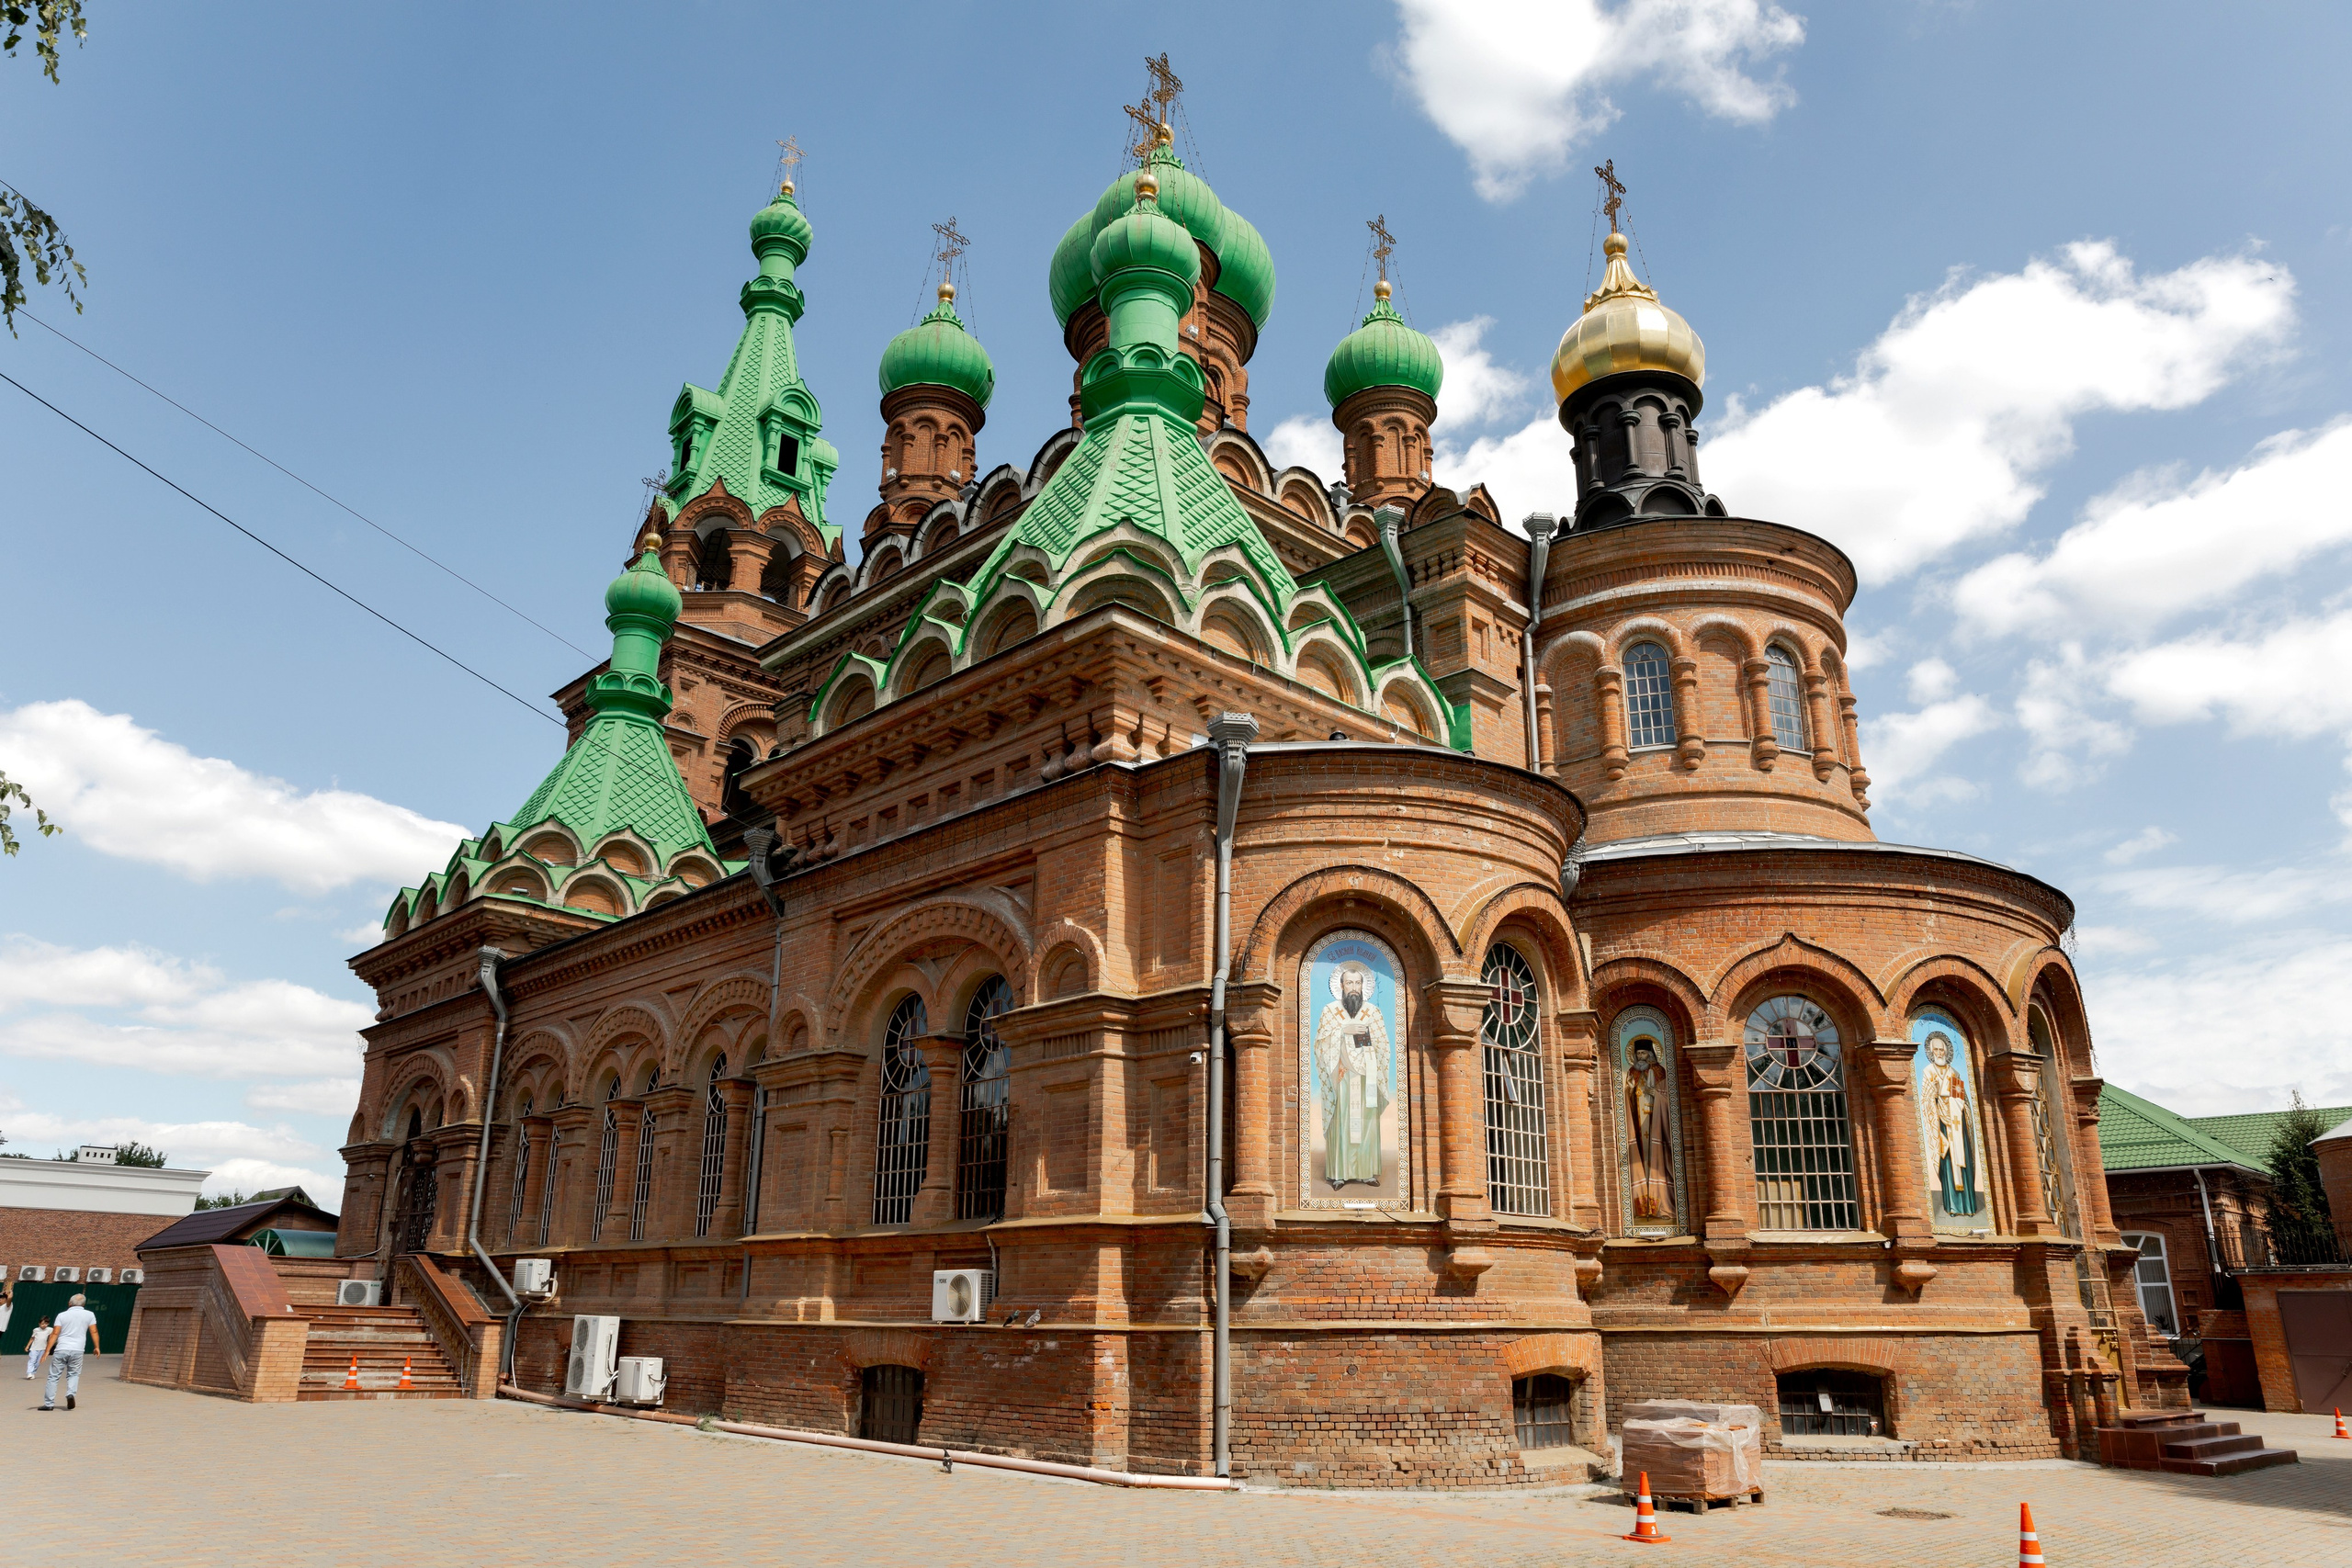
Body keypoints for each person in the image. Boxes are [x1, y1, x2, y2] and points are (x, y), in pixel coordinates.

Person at [39, 1293, 99, 1411]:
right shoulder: (90, 1314)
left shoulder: (62, 1315)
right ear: (84, 1304)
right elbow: (94, 1331)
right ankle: (70, 1393)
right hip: (78, 1350)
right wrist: (97, 1347)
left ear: (69, 1303)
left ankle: (49, 1404)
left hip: (61, 1349)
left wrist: (46, 1351)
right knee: (74, 1374)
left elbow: (55, 1333)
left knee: (53, 1376)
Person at [23, 1314, 51, 1381]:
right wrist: (27, 1346)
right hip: (34, 1348)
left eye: (46, 1324)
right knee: (32, 1360)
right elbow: (32, 1338)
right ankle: (29, 1373)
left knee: (38, 1362)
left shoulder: (49, 1330)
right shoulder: (36, 1330)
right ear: (39, 1323)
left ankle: (33, 1373)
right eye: (42, 1324)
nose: (44, 1325)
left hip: (43, 1349)